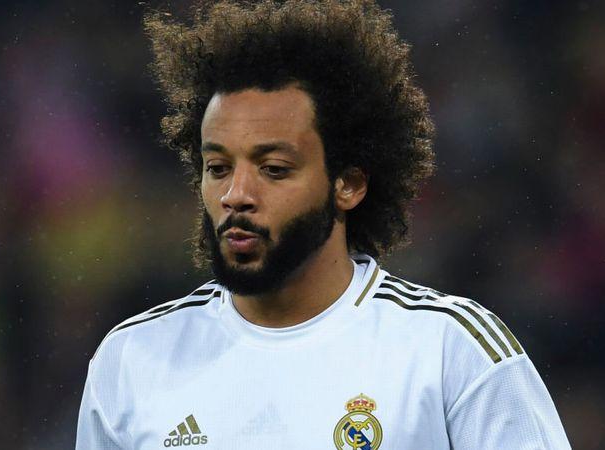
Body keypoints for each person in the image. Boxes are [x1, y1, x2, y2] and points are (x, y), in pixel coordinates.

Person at [75, 1, 570, 448]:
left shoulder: (452, 352)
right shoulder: (131, 361)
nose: (235, 195)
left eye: (273, 169)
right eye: (218, 168)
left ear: (347, 184)